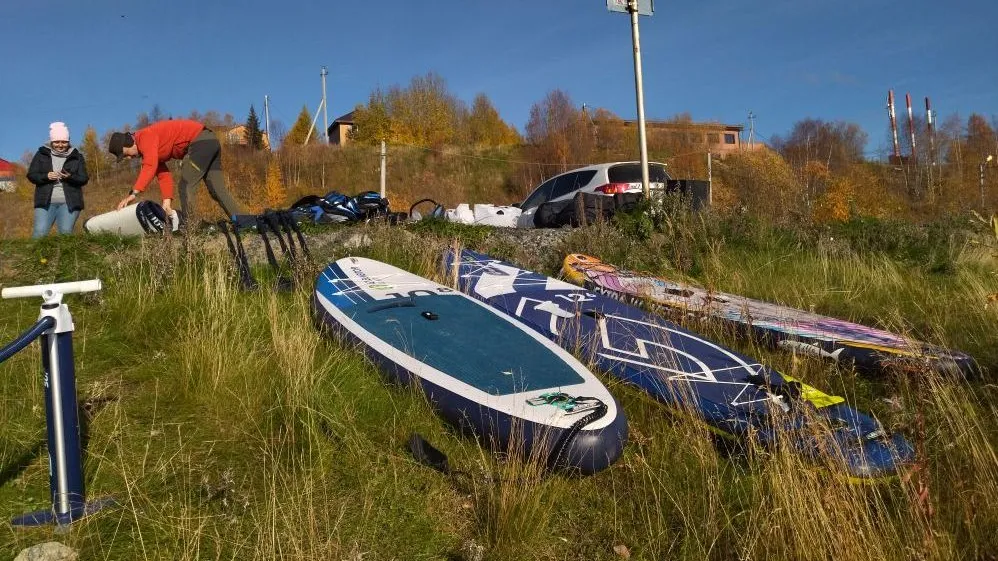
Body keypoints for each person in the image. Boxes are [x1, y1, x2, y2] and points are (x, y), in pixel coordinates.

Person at [107, 119, 244, 225]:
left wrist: (133, 194)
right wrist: (167, 202)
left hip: (200, 142)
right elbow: (163, 176)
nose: (129, 158)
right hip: (210, 141)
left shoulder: (145, 136)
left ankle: (191, 229)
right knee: (217, 189)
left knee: (186, 186)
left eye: (126, 154)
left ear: (129, 144)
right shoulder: (150, 148)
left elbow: (149, 165)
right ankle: (245, 222)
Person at [26, 122, 89, 238]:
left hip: (69, 203)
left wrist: (70, 177)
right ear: (51, 141)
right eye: (57, 142)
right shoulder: (41, 154)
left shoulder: (77, 156)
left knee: (66, 234)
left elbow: (84, 178)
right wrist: (46, 176)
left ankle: (65, 256)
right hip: (45, 202)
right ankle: (37, 256)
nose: (60, 145)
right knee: (39, 233)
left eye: (64, 142)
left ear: (68, 141)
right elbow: (31, 175)